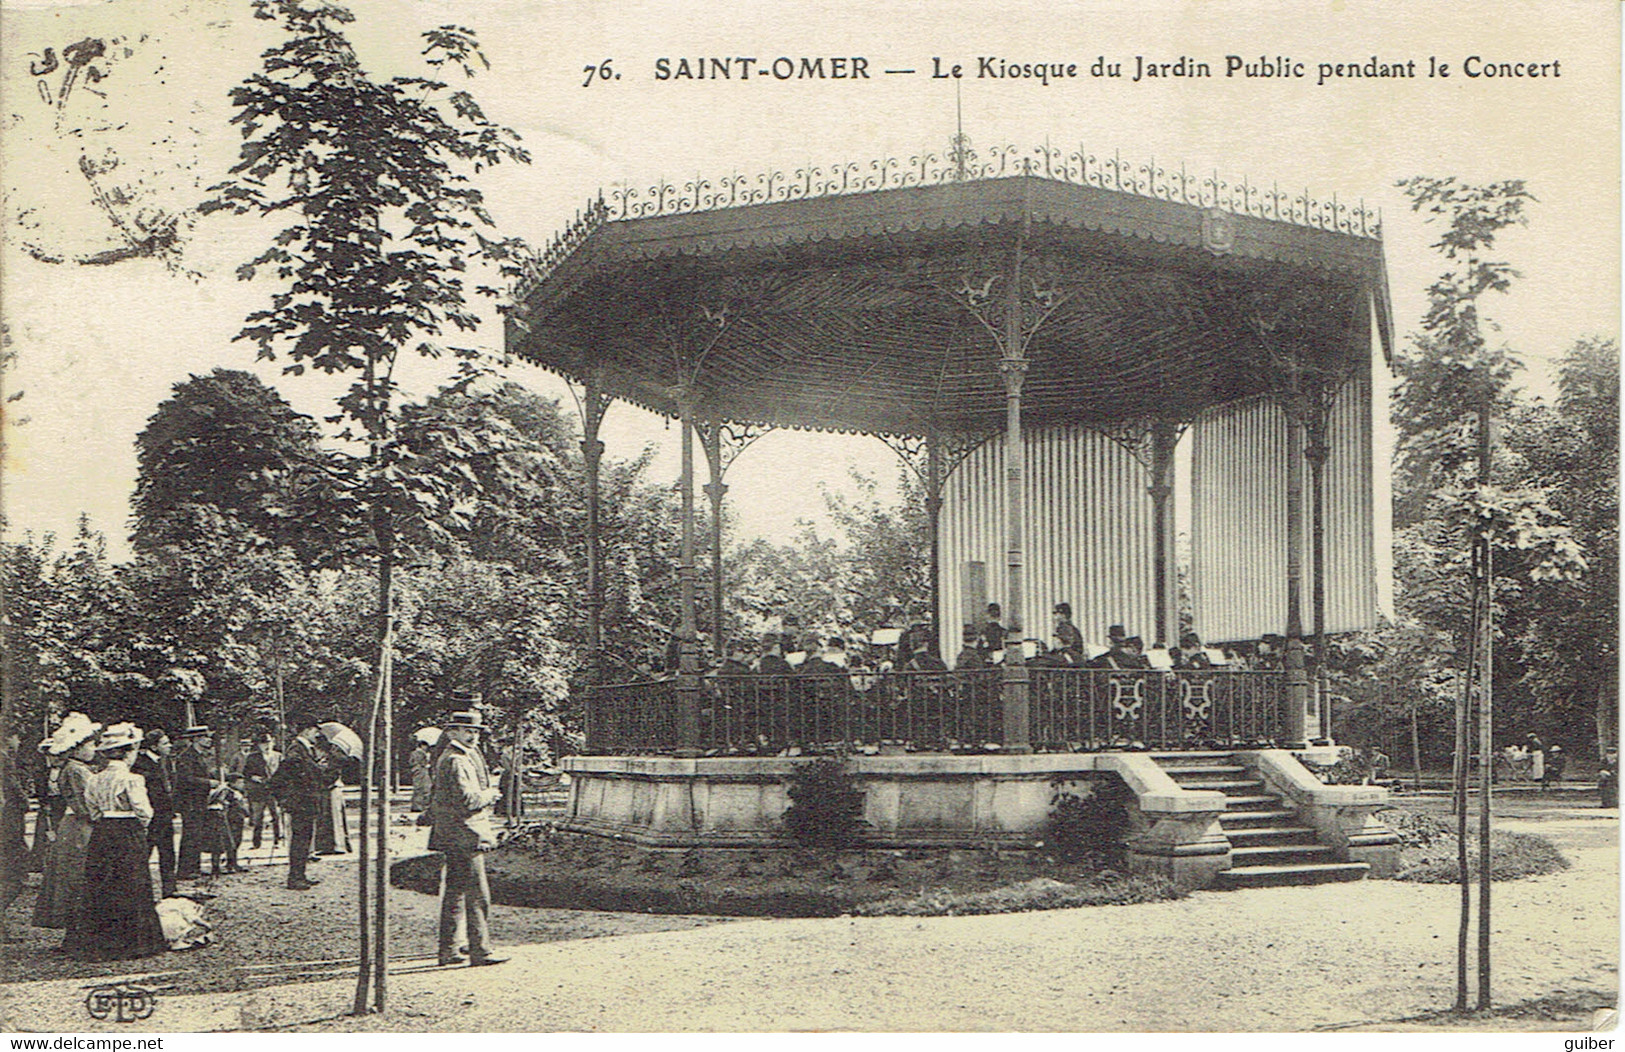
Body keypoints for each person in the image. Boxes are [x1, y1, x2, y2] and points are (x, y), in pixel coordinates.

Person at [64, 722, 167, 961]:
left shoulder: (94, 779)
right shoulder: (132, 779)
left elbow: (93, 809)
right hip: (127, 829)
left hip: (103, 831)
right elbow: (145, 812)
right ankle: (134, 942)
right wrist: (135, 827)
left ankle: (103, 941)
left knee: (104, 882)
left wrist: (106, 820)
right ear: (128, 752)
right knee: (132, 880)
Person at [429, 708, 505, 967]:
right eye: (467, 731)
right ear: (452, 732)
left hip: (455, 833)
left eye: (475, 732)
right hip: (465, 833)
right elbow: (467, 800)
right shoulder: (457, 760)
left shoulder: (452, 756)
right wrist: (491, 794)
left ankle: (449, 950)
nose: (473, 736)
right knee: (477, 894)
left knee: (456, 892)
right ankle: (480, 951)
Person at [32, 712, 101, 930]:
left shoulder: (74, 768)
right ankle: (76, 923)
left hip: (74, 824)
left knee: (73, 872)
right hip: (79, 827)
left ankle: (79, 923)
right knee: (76, 872)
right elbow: (84, 805)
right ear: (77, 748)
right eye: (91, 746)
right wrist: (99, 819)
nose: (94, 750)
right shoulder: (76, 770)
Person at [277, 712, 331, 891]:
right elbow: (293, 771)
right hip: (300, 801)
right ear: (307, 730)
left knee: (304, 839)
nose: (317, 734)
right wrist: (317, 769)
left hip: (305, 801)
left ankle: (300, 875)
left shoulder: (304, 748)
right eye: (315, 730)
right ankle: (295, 878)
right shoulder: (296, 749)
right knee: (300, 840)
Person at [131, 728, 178, 897]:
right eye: (165, 743)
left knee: (168, 853)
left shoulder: (165, 761)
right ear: (154, 746)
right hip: (150, 816)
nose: (170, 746)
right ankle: (141, 892)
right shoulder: (139, 764)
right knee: (145, 853)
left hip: (165, 815)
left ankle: (170, 890)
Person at [172, 725, 219, 881]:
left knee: (196, 834)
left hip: (198, 801)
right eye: (205, 737)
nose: (209, 740)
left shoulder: (198, 755)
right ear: (197, 739)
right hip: (190, 802)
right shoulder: (186, 757)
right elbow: (186, 780)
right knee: (190, 835)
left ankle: (194, 867)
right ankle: (185, 870)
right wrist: (208, 783)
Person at [1, 728, 28, 942]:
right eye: (17, 736)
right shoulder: (4, 759)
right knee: (15, 873)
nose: (19, 741)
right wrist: (24, 800)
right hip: (8, 824)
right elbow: (14, 789)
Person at [243, 729, 282, 848]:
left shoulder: (278, 756)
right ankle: (256, 842)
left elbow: (283, 772)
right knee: (258, 818)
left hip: (273, 791)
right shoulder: (252, 757)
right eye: (263, 743)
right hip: (258, 791)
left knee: (276, 816)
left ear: (273, 743)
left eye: (269, 743)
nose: (267, 745)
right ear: (259, 745)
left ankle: (277, 840)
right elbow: (246, 772)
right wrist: (253, 777)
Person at [410, 737, 434, 813]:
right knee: (424, 788)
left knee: (417, 788)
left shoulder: (413, 753)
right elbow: (424, 763)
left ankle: (416, 805)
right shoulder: (421, 753)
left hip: (415, 771)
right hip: (422, 771)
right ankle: (421, 806)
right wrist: (427, 759)